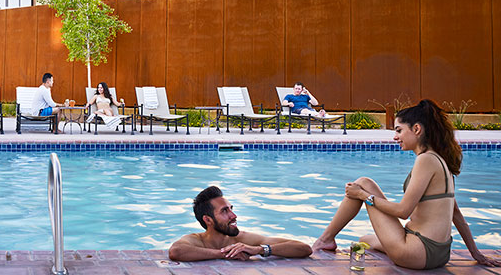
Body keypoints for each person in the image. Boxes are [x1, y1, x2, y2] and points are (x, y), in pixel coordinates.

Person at [311, 99, 501, 269]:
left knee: (363, 183)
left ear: (417, 129)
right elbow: (456, 215)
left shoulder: (425, 160)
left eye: (399, 130)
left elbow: (403, 211)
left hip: (417, 252)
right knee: (364, 239)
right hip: (440, 254)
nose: (395, 137)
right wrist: (477, 254)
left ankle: (325, 239)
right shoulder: (441, 161)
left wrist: (362, 195)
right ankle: (331, 239)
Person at [168, 186, 312, 262]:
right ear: (208, 220)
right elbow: (176, 251)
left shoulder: (244, 240)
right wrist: (224, 254)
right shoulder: (196, 240)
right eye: (225, 211)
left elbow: (304, 248)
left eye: (231, 209)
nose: (234, 216)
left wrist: (259, 250)